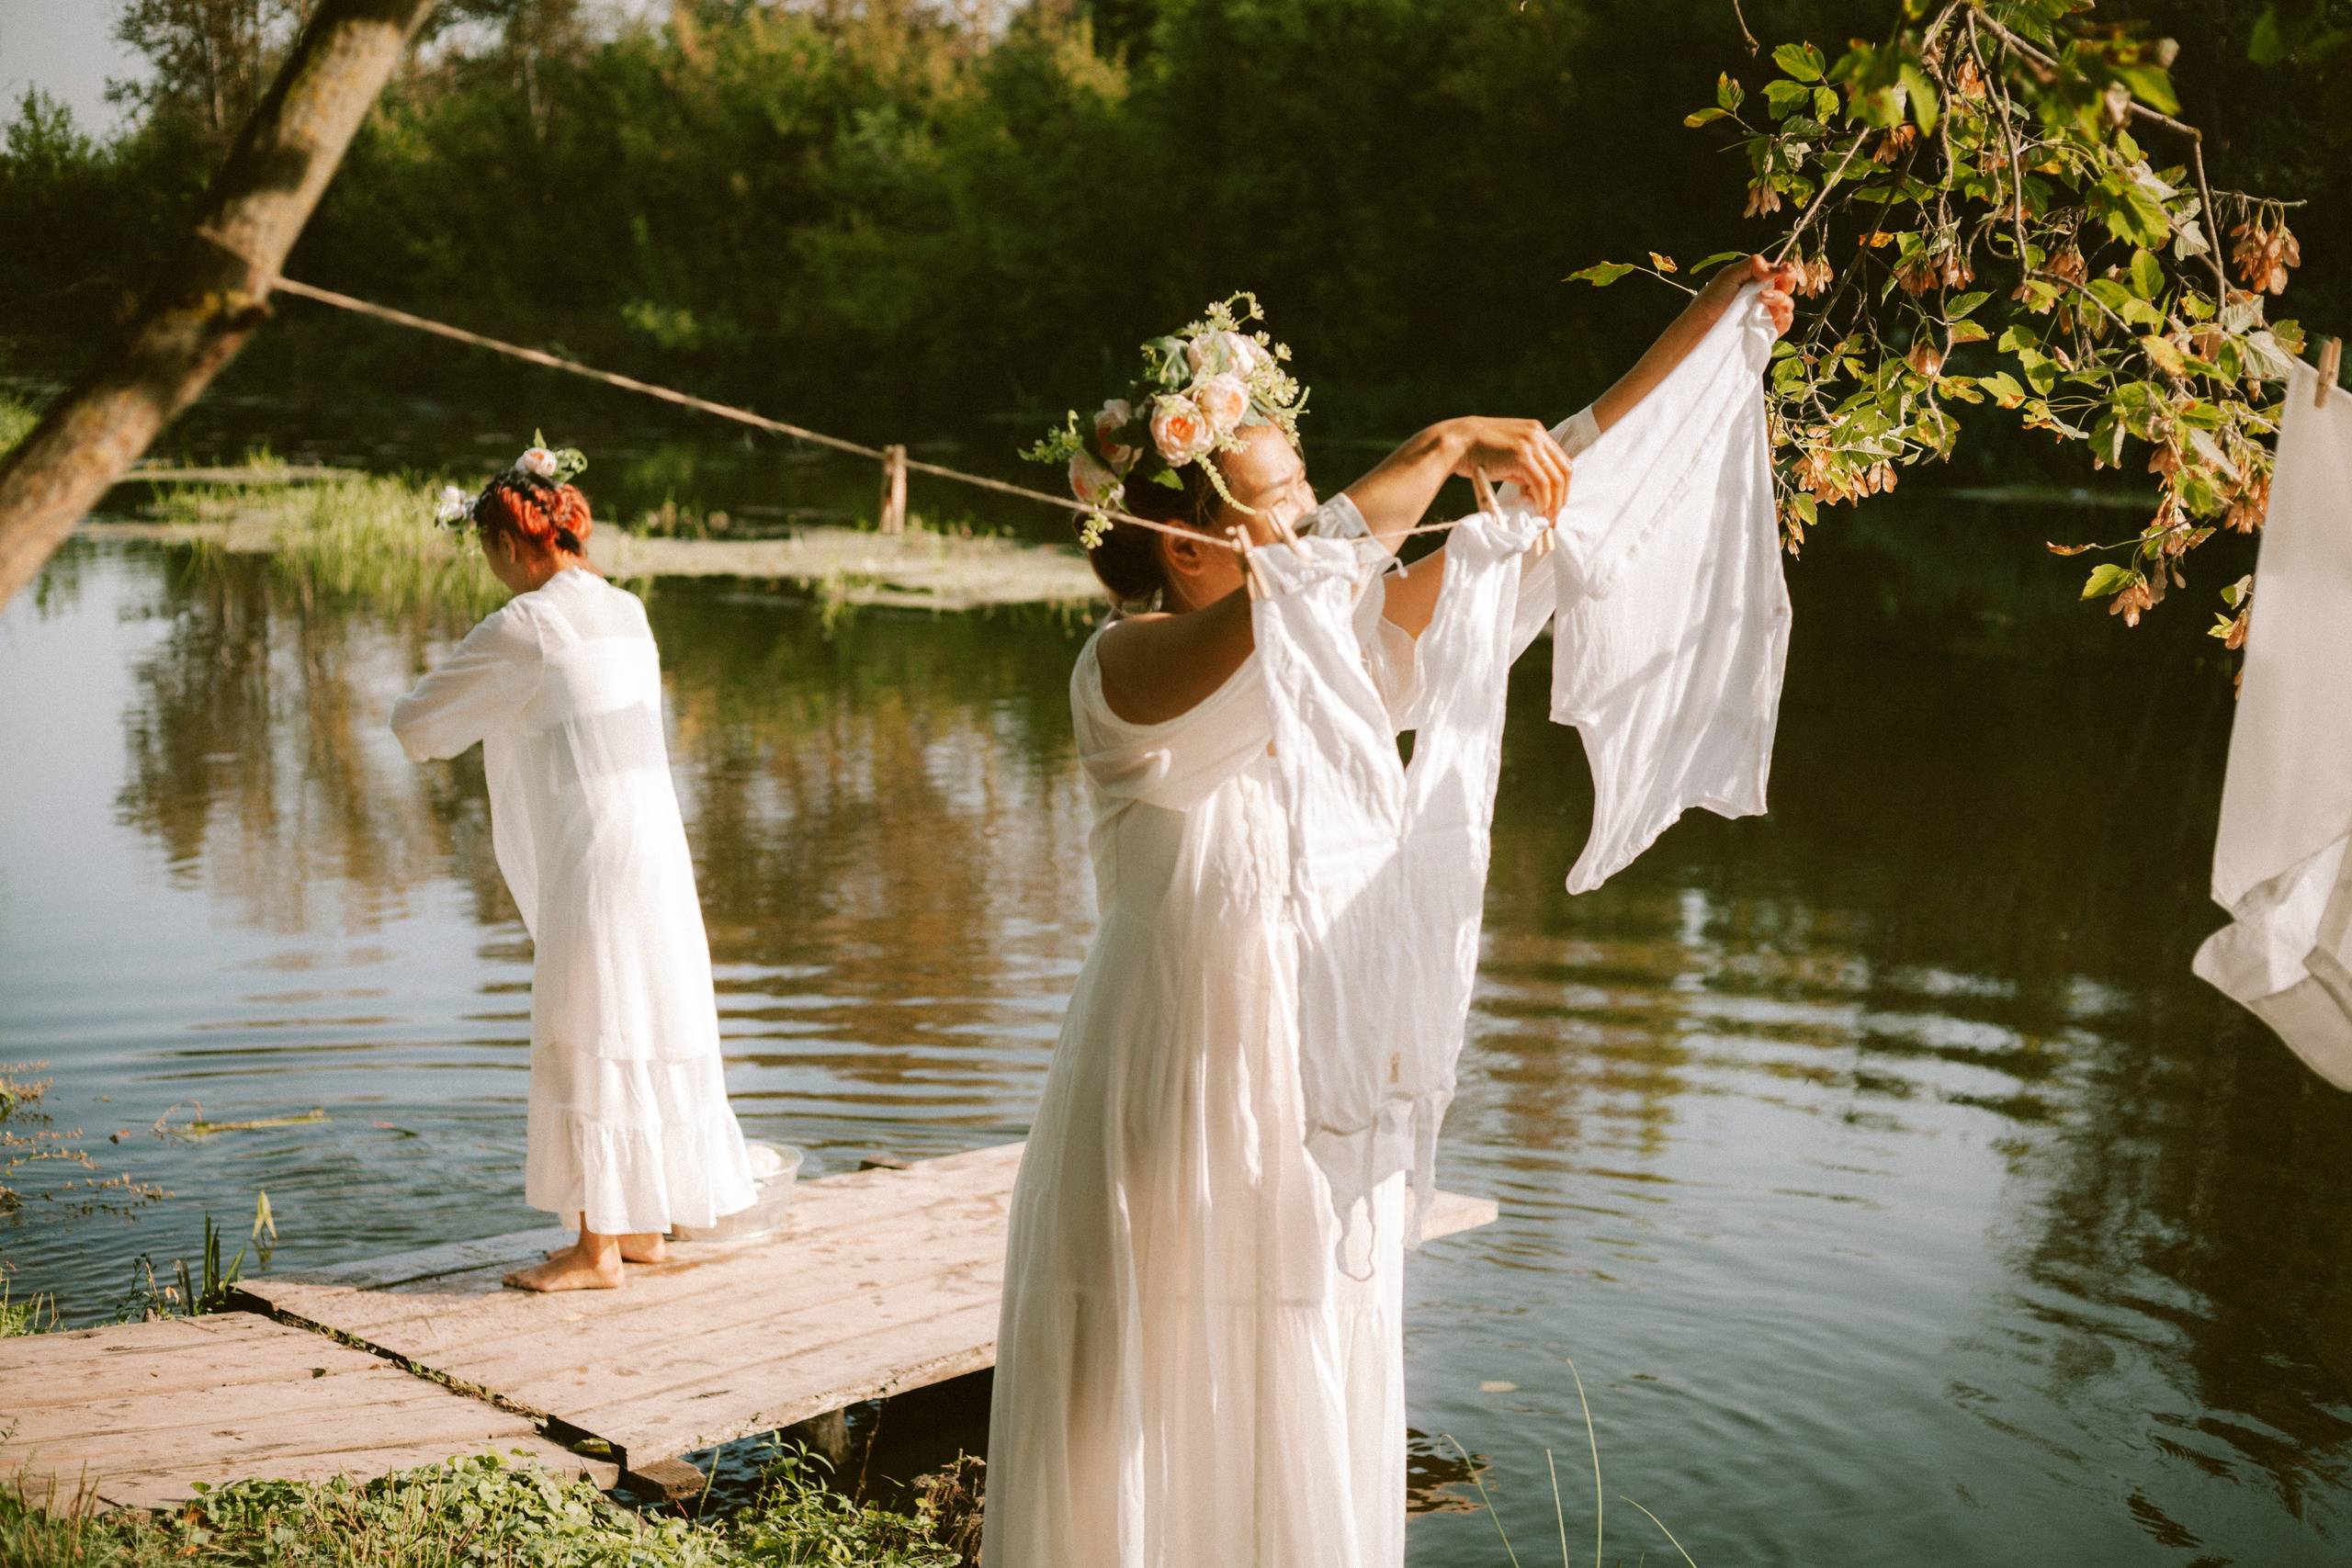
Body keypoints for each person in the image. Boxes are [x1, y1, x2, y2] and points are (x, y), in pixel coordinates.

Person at [983, 256, 1798, 1563]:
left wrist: (1704, 332)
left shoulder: (1338, 646)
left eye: (1306, 488)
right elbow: (1306, 585)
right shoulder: (1124, 671)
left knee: (1294, 1365)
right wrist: (1430, 442)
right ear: (1179, 532)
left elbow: (1544, 491)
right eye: (1270, 501)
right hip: (1163, 1094)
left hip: (1302, 1085)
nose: (1304, 518)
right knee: (1126, 1409)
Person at [390, 444, 756, 1292]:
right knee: (648, 1014)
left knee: (591, 1016)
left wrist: (450, 702)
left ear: (515, 546)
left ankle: (594, 1252)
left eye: (490, 555)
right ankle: (641, 1228)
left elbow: (419, 725)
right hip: (657, 841)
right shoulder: (629, 609)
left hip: (596, 847)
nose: (493, 573)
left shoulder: (527, 625)